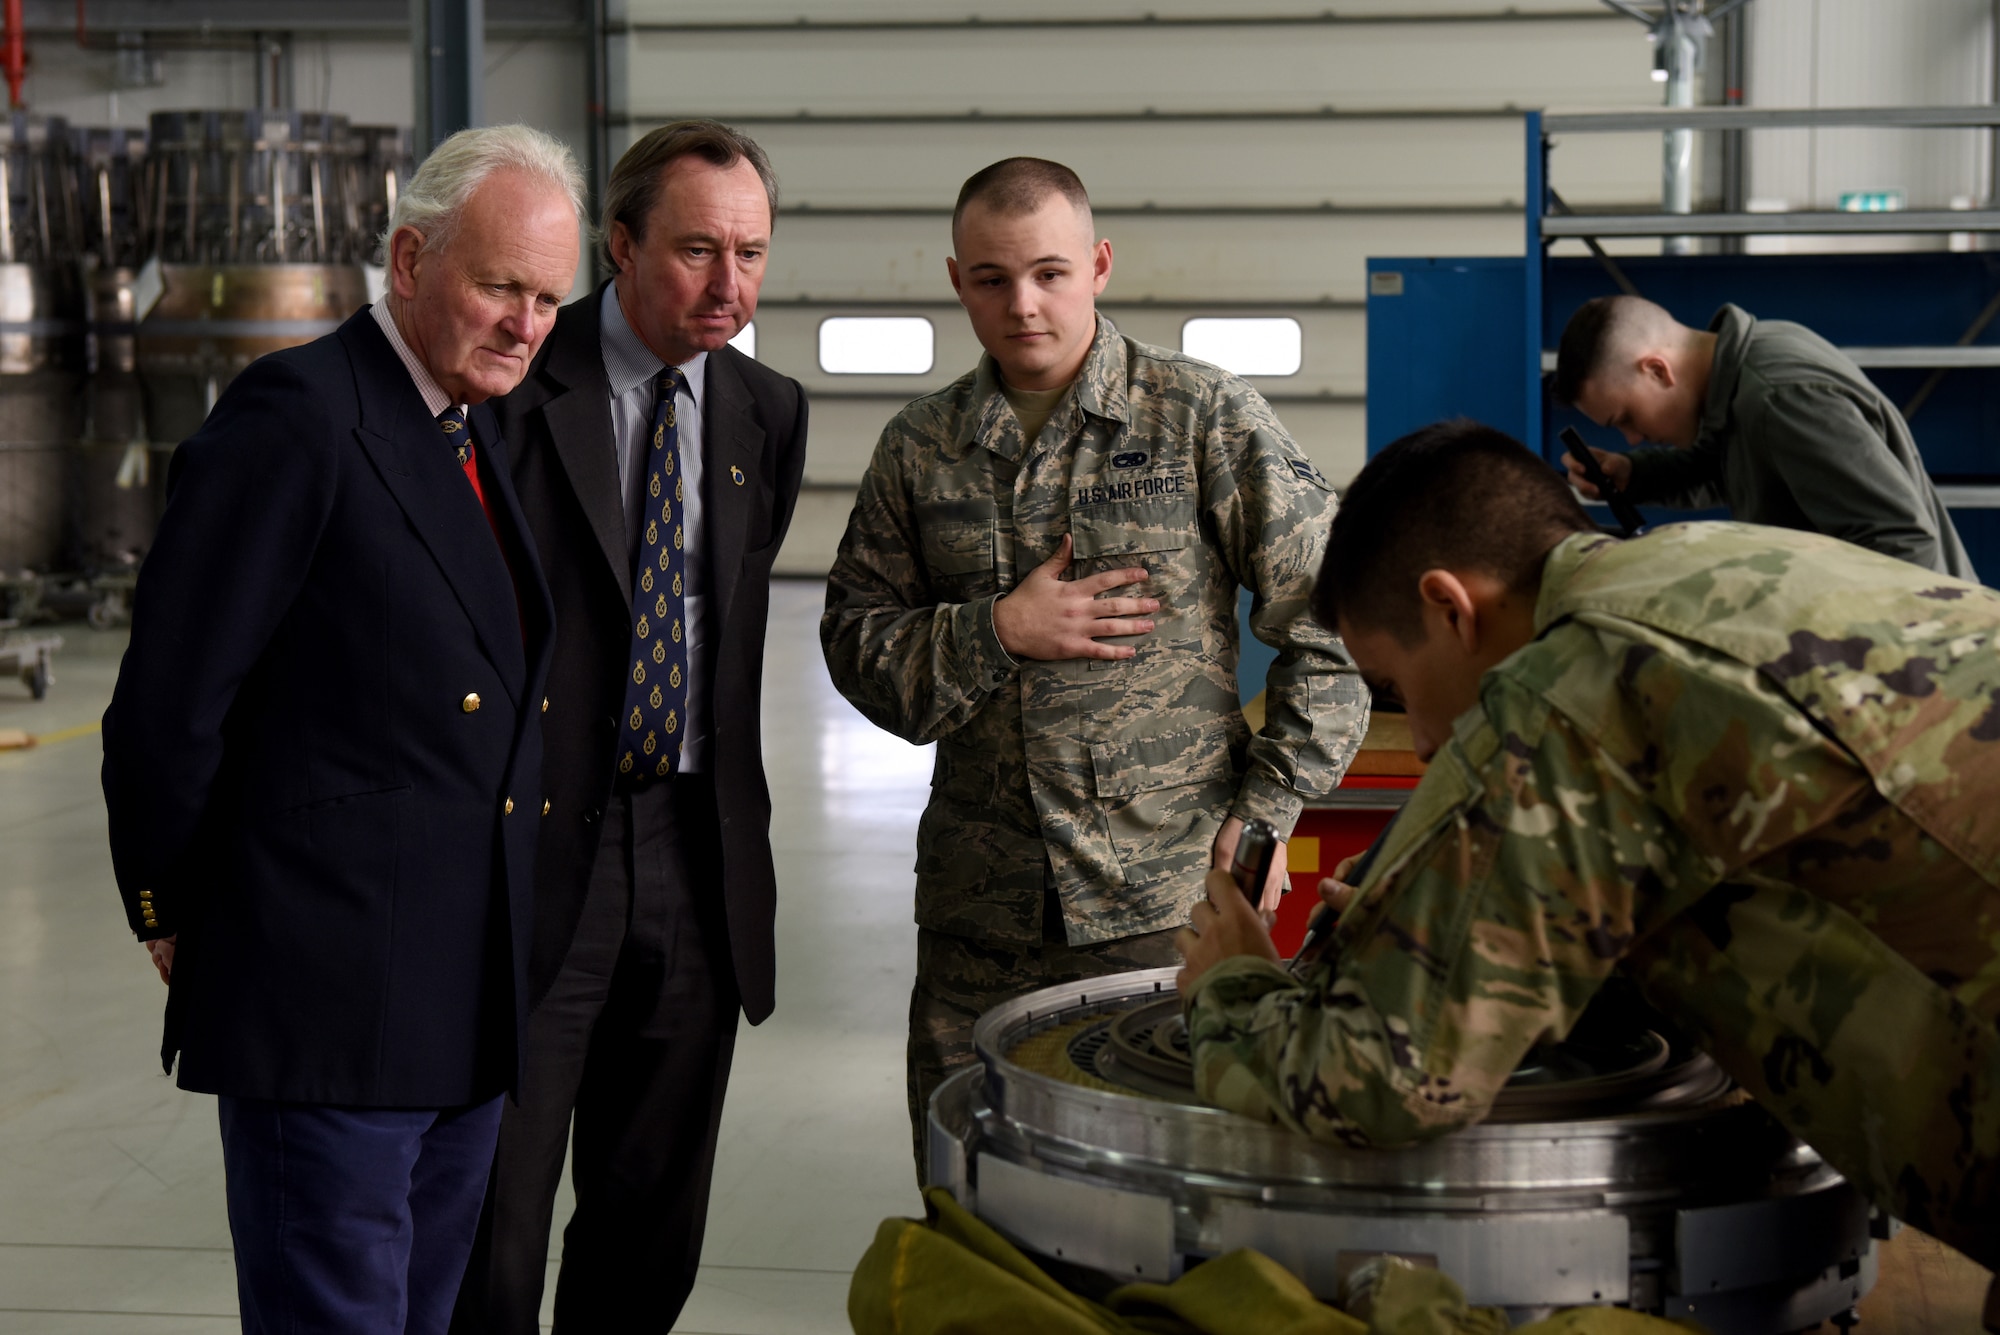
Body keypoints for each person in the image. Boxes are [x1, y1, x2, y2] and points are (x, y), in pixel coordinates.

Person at [1175, 418, 2000, 1304]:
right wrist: (1441, 926)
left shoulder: (1569, 684)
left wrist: (1235, 987)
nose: (1416, 738)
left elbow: (1383, 1080)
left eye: (1397, 687)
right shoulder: (1713, 566)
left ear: (1449, 608)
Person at [100, 125, 584, 1334]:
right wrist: (174, 907)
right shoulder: (298, 417)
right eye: (498, 287)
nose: (525, 323)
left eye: (546, 298)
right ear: (409, 260)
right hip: (324, 1006)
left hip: (457, 1007)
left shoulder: (468, 430)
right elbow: (168, 701)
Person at [821, 156, 1369, 1177]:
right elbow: (856, 645)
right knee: (970, 1190)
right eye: (990, 279)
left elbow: (1332, 623)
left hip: (1165, 905)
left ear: (1098, 265)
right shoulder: (920, 448)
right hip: (975, 918)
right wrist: (997, 630)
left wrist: (1268, 810)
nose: (1021, 305)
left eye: (1047, 273)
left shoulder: (1199, 417)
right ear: (955, 281)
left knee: (1164, 1199)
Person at [450, 121, 808, 1335]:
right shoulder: (510, 387)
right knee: (491, 1219)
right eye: (697, 250)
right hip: (537, 847)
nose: (730, 287)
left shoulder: (769, 411)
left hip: (696, 857)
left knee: (650, 1219)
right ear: (618, 244)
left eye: (752, 254)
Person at [1551, 294, 1972, 579]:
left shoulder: (1780, 398)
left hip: (1933, 663)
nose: (1633, 438)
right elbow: (1732, 466)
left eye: (1626, 417)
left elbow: (1903, 541)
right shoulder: (1753, 366)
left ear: (1658, 370)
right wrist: (1632, 475)